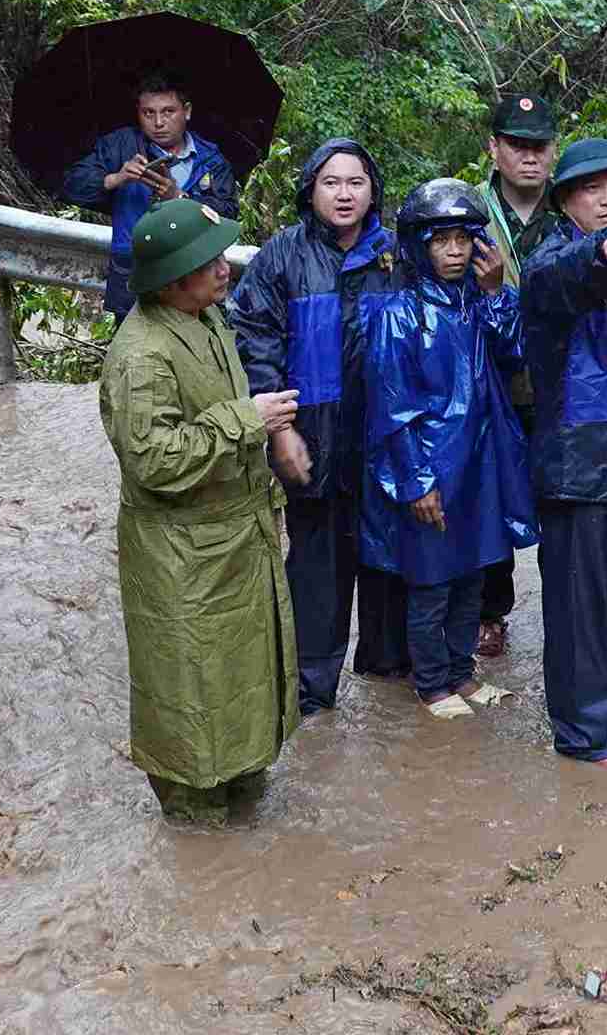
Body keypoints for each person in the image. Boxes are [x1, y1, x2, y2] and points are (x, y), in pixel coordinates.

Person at [99, 198, 298, 827]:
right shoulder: (141, 357)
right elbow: (154, 460)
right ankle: (195, 823)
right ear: (173, 280)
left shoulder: (207, 319)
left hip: (234, 537)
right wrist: (249, 420)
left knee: (244, 675)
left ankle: (241, 794)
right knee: (191, 686)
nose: (224, 270)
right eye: (208, 263)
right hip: (183, 556)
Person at [228, 139, 409, 716]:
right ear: (311, 189)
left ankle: (388, 668)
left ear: (373, 190)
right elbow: (255, 342)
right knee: (316, 568)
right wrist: (280, 431)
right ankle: (310, 689)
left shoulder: (397, 256)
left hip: (384, 443)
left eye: (356, 182)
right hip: (314, 440)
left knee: (387, 561)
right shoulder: (282, 254)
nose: (344, 194)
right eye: (331, 182)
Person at [360, 179, 536, 718]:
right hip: (432, 468)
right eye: (442, 240)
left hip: (481, 466)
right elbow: (392, 408)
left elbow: (515, 352)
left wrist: (498, 292)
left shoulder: (479, 304)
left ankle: (461, 674)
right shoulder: (398, 314)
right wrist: (416, 481)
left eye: (463, 239)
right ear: (419, 246)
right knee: (431, 583)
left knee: (472, 577)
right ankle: (432, 682)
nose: (455, 251)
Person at [520, 139, 607, 769]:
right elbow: (562, 280)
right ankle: (583, 733)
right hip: (581, 467)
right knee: (580, 606)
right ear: (566, 201)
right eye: (591, 189)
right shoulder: (553, 263)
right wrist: (599, 257)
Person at [475, 94, 559, 660]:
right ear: (494, 148)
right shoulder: (470, 211)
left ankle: (568, 608)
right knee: (489, 496)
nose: (529, 157)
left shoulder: (571, 207)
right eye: (517, 145)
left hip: (555, 388)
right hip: (490, 386)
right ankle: (489, 612)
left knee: (560, 500)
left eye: (539, 146)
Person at [63, 73, 239, 327]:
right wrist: (115, 178)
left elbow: (228, 212)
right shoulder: (120, 145)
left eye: (168, 112)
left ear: (186, 111)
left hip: (197, 278)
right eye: (148, 113)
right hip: (135, 277)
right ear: (138, 112)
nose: (158, 122)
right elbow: (72, 185)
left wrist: (179, 198)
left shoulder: (210, 158)